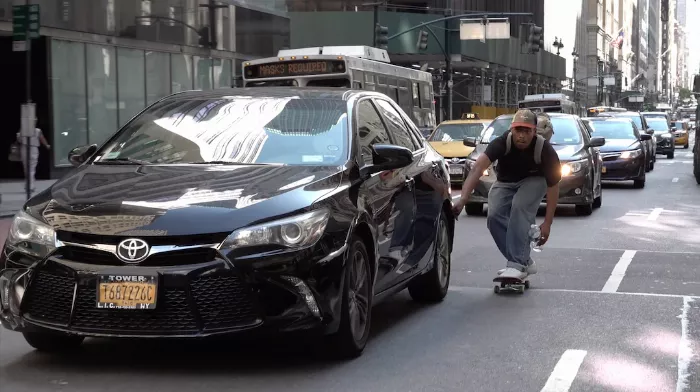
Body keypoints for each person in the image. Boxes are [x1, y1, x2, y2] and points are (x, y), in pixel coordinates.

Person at [452, 109, 561, 280]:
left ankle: (517, 264)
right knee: (493, 217)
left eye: (527, 131)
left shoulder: (545, 150)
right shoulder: (502, 143)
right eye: (518, 130)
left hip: (535, 180)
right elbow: (477, 168)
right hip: (505, 182)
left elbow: (553, 186)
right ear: (512, 129)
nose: (521, 136)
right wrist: (464, 199)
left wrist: (547, 223)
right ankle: (524, 260)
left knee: (519, 207)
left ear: (534, 131)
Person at [16, 120, 51, 193]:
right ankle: (30, 186)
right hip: (33, 149)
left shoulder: (23, 130)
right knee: (32, 168)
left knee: (26, 168)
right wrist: (47, 145)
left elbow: (19, 140)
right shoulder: (38, 131)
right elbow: (42, 139)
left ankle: (28, 185)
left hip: (24, 148)